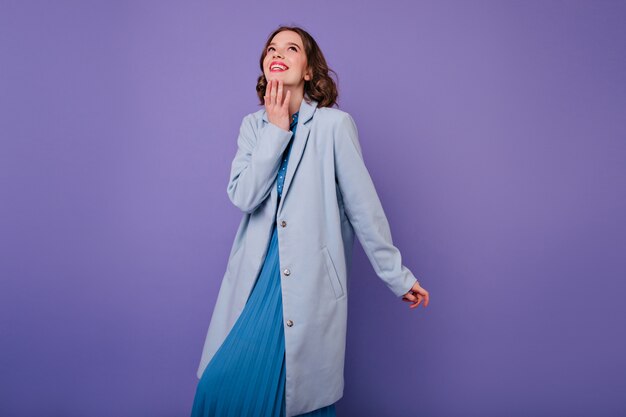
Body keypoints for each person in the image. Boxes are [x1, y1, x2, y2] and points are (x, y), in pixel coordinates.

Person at [191, 25, 430, 417]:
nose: (277, 53)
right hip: (254, 284)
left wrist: (397, 276)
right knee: (219, 388)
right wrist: (276, 128)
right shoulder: (253, 127)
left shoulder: (334, 127)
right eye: (271, 49)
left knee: (298, 400)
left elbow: (363, 209)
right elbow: (244, 196)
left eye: (290, 47)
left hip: (308, 285)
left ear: (307, 70)